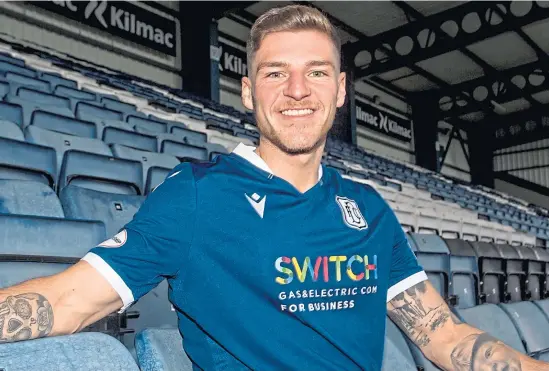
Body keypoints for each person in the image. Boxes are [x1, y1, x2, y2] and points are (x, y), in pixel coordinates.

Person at [0, 4, 547, 371]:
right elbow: (68, 301)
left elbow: (443, 336)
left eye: (315, 72)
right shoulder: (196, 197)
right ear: (246, 91)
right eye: (274, 72)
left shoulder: (369, 209)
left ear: (339, 90)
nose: (296, 90)